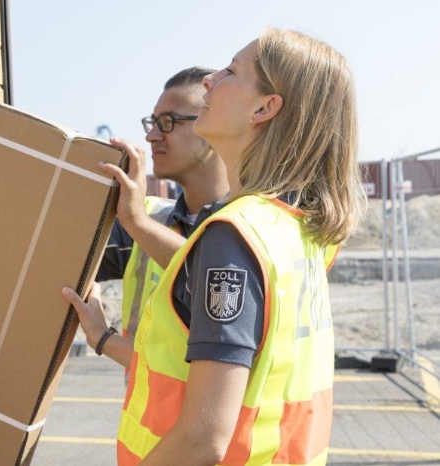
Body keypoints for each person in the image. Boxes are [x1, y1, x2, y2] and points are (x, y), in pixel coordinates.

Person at [63, 28, 366, 465]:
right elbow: (216, 280)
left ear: (265, 107)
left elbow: (203, 440)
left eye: (231, 71)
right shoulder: (298, 228)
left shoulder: (234, 235)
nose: (211, 80)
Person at [95, 67, 229, 367]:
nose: (151, 136)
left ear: (214, 126)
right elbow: (50, 246)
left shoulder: (251, 229)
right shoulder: (150, 217)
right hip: (144, 415)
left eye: (168, 122)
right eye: (152, 122)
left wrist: (105, 339)